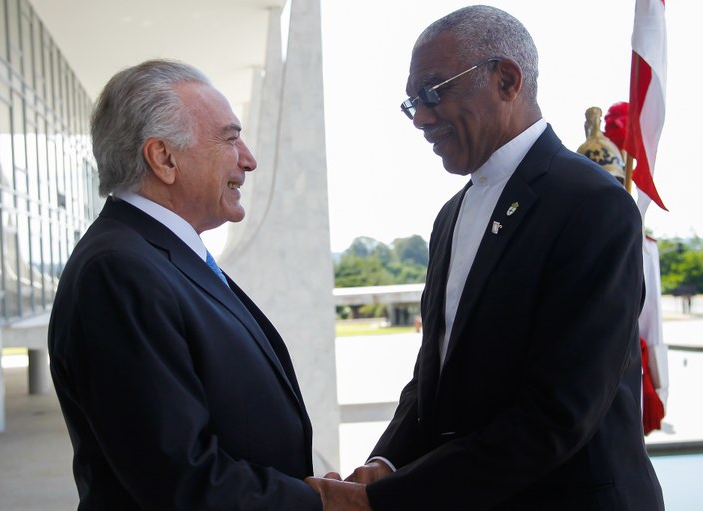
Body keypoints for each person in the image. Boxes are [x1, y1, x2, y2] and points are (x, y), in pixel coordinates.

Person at [306, 6, 664, 510]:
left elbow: (559, 413)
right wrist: (384, 465)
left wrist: (387, 500)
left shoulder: (593, 204)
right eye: (412, 103)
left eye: (433, 91)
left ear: (506, 80)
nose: (422, 118)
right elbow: (436, 373)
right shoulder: (450, 216)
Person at [48, 59, 321, 510]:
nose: (248, 160)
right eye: (231, 139)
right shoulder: (119, 270)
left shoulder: (153, 256)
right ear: (164, 158)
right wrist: (320, 503)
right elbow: (178, 478)